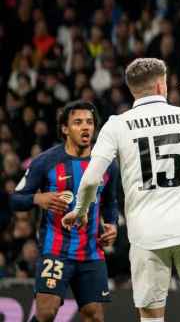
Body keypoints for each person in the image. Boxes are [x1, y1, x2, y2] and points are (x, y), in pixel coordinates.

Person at [62, 58, 180, 322]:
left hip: (145, 235)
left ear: (132, 89)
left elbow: (91, 179)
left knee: (152, 317)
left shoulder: (117, 125)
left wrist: (81, 210)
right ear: (160, 85)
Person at [10, 101, 119, 322]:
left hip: (91, 252)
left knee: (95, 316)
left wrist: (112, 224)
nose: (85, 127)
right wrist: (38, 198)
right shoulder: (45, 161)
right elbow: (15, 199)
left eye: (89, 122)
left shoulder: (106, 164)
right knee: (46, 313)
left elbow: (110, 202)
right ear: (65, 129)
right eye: (78, 122)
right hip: (55, 250)